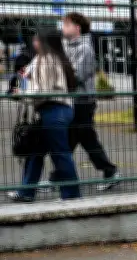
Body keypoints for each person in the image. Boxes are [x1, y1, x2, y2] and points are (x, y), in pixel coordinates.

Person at [8, 31, 81, 202]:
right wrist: (26, 78)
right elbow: (35, 79)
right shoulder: (48, 58)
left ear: (43, 41)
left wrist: (22, 93)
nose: (33, 42)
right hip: (55, 111)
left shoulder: (47, 59)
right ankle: (26, 192)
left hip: (53, 111)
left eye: (36, 39)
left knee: (60, 153)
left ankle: (72, 195)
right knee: (36, 152)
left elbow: (43, 91)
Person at [60, 12, 120, 191]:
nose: (63, 27)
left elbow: (77, 75)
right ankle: (109, 172)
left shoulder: (84, 49)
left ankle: (109, 171)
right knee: (78, 139)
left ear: (77, 28)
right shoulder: (67, 47)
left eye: (66, 24)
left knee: (78, 138)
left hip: (83, 101)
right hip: (72, 100)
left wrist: (58, 76)